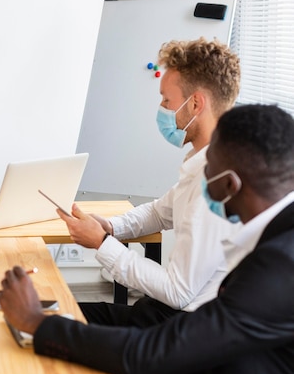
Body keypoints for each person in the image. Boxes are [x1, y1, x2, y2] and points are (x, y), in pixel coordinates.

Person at [0, 104, 294, 374]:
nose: (200, 178)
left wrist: (36, 322)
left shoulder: (278, 269)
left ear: (230, 184)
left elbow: (149, 355)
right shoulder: (278, 232)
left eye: (207, 170)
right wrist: (112, 228)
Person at [69, 38, 243, 327]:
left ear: (196, 103)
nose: (162, 109)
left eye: (166, 100)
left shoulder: (215, 184)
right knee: (59, 312)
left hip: (181, 327)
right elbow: (161, 212)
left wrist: (101, 243)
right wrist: (112, 227)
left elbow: (178, 292)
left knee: (58, 324)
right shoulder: (204, 160)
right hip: (162, 311)